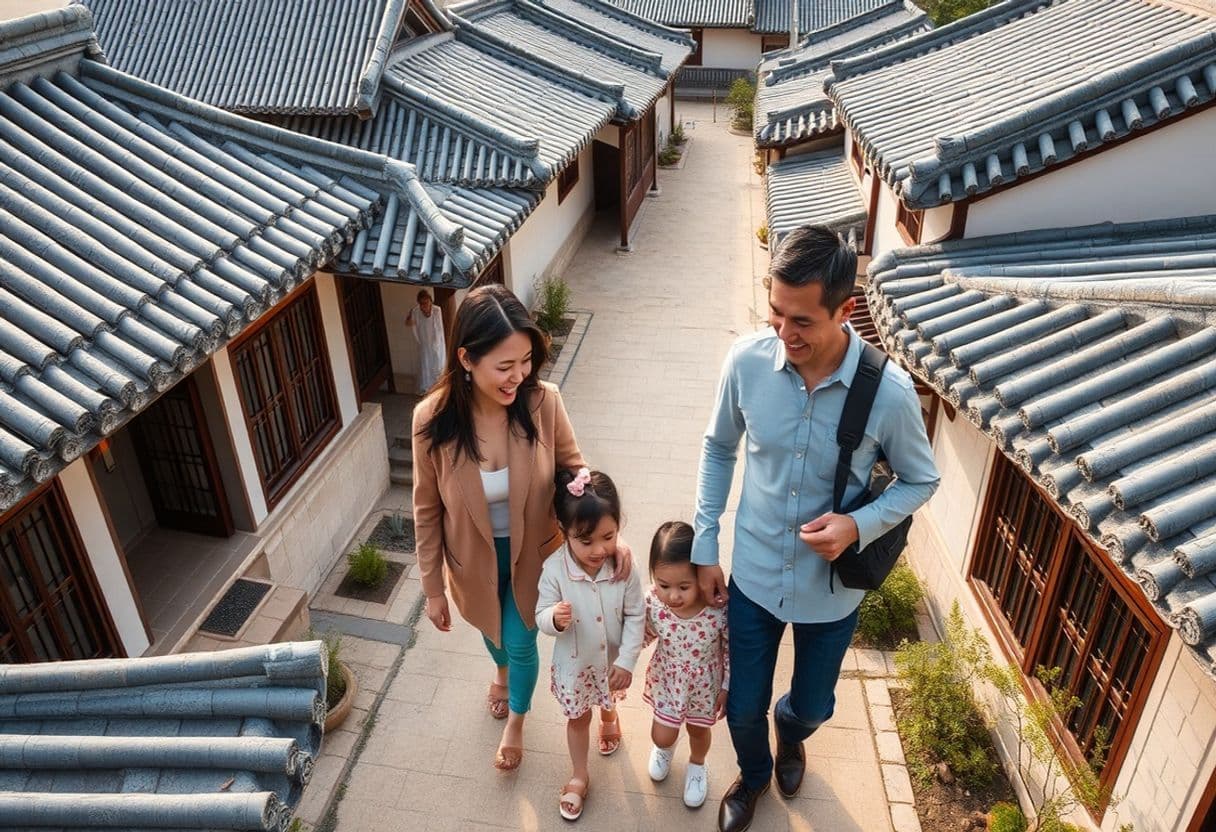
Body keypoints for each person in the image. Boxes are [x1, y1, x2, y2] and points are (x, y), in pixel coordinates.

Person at [692, 225, 940, 832]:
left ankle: (792, 732)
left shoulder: (889, 393)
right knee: (740, 708)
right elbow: (719, 448)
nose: (784, 333)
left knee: (813, 706)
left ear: (844, 310)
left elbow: (921, 480)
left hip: (831, 590)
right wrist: (704, 543)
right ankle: (752, 778)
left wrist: (857, 525)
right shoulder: (747, 363)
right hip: (751, 574)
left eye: (802, 321)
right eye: (776, 312)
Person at [411, 284, 631, 772]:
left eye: (526, 361)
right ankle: (501, 672)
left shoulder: (543, 403)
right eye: (505, 367)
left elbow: (576, 470)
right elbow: (426, 508)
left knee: (519, 638)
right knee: (493, 634)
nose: (520, 376)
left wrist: (606, 535)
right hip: (473, 562)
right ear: (466, 359)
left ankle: (516, 719)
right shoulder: (431, 421)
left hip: (537, 556)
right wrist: (432, 589)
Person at [536, 468, 645, 822]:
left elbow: (636, 615)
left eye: (609, 536)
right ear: (564, 532)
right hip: (576, 665)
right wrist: (553, 617)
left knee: (609, 693)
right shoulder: (554, 570)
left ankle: (610, 715)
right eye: (586, 542)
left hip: (612, 659)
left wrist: (627, 660)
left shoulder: (624, 567)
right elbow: (540, 614)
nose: (600, 549)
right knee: (578, 717)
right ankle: (579, 774)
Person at [642, 520, 728, 810]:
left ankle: (697, 766)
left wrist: (727, 686)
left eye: (684, 586)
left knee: (698, 731)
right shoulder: (654, 603)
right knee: (661, 734)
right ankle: (666, 749)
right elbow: (642, 633)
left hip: (705, 686)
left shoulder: (716, 611)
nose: (673, 596)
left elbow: (730, 650)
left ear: (700, 578)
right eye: (664, 585)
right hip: (668, 679)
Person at [406, 289, 445, 393]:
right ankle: (427, 389)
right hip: (424, 343)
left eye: (426, 302)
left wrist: (438, 343)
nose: (424, 305)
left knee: (438, 363)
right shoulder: (416, 311)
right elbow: (409, 323)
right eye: (422, 303)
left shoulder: (437, 310)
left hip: (437, 343)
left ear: (430, 301)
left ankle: (439, 386)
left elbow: (440, 329)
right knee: (425, 365)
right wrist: (409, 319)